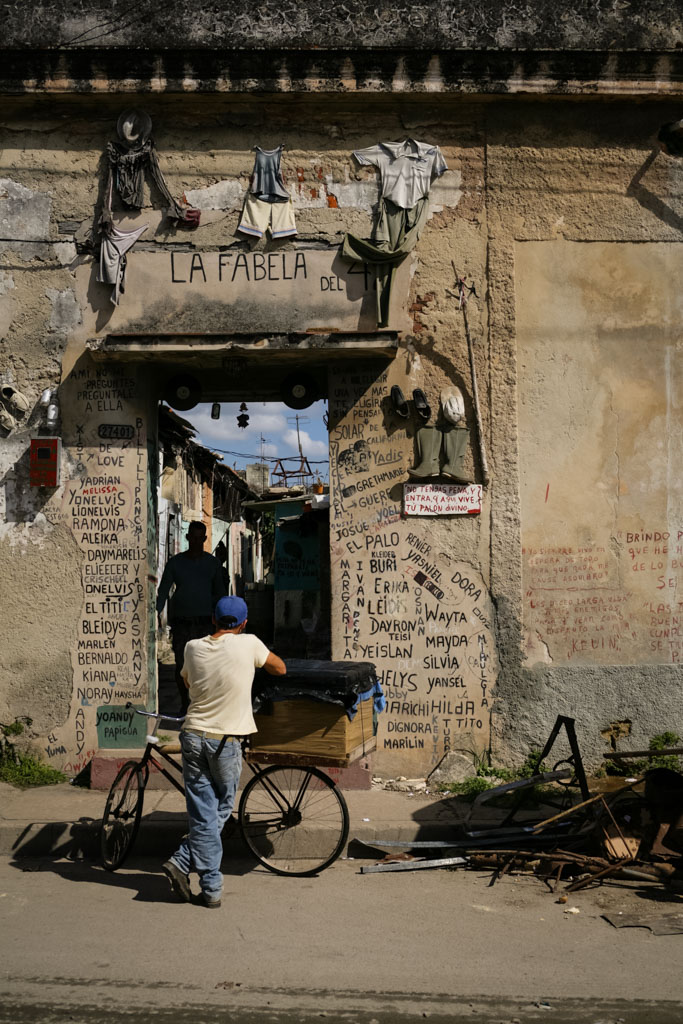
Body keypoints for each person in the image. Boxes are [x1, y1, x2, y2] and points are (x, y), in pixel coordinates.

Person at [162, 595, 286, 908]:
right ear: (244, 623)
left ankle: (207, 885)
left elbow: (188, 683)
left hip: (193, 736)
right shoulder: (250, 643)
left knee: (203, 813)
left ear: (213, 620)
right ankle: (186, 865)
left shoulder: (192, 647)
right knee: (219, 811)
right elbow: (280, 668)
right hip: (225, 741)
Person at [156, 520, 226, 713]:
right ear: (187, 538)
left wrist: (223, 623)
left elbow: (220, 594)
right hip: (182, 623)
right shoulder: (175, 563)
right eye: (193, 538)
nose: (196, 542)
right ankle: (185, 704)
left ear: (205, 539)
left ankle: (202, 704)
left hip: (206, 623)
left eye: (200, 538)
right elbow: (163, 591)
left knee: (205, 664)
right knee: (182, 665)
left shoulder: (212, 564)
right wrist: (156, 613)